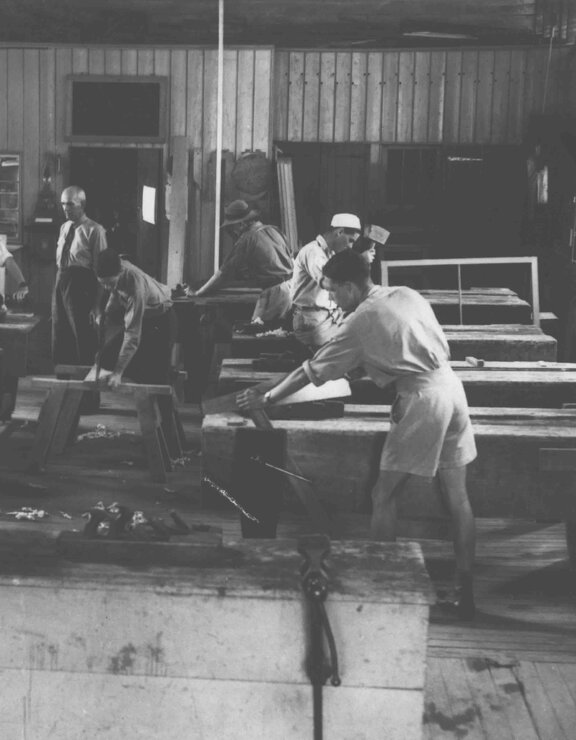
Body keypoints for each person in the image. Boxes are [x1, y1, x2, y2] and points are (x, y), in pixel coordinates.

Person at [238, 249, 478, 619]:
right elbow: (397, 343)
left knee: (383, 495)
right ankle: (466, 594)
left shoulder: (360, 321)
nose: (332, 299)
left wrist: (267, 398)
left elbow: (308, 372)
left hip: (422, 400)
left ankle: (382, 588)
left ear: (350, 286)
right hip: (451, 388)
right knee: (458, 498)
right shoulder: (405, 294)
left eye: (333, 291)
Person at [191, 199, 294, 327]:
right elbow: (291, 259)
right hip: (290, 288)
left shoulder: (248, 238)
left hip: (275, 293)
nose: (234, 230)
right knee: (273, 330)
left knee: (259, 331)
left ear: (242, 223)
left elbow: (223, 273)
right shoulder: (274, 230)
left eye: (233, 226)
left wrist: (200, 292)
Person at [89, 248, 175, 389]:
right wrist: (106, 314)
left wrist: (118, 372)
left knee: (157, 379)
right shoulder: (116, 265)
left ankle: (160, 392)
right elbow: (115, 291)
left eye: (109, 283)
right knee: (105, 359)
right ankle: (141, 371)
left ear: (120, 273)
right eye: (103, 284)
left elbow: (132, 335)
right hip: (146, 317)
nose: (106, 287)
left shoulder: (135, 287)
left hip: (161, 321)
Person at [290, 213, 362, 350]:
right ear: (339, 232)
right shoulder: (313, 252)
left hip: (328, 316)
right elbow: (328, 282)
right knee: (330, 357)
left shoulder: (331, 253)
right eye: (350, 240)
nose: (350, 246)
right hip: (312, 318)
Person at [53, 186, 108, 365]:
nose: (65, 208)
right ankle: (63, 378)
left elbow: (102, 272)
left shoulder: (95, 230)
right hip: (61, 282)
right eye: (63, 204)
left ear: (82, 205)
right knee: (60, 331)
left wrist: (97, 305)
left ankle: (86, 381)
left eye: (70, 204)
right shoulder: (64, 227)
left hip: (80, 286)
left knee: (82, 336)